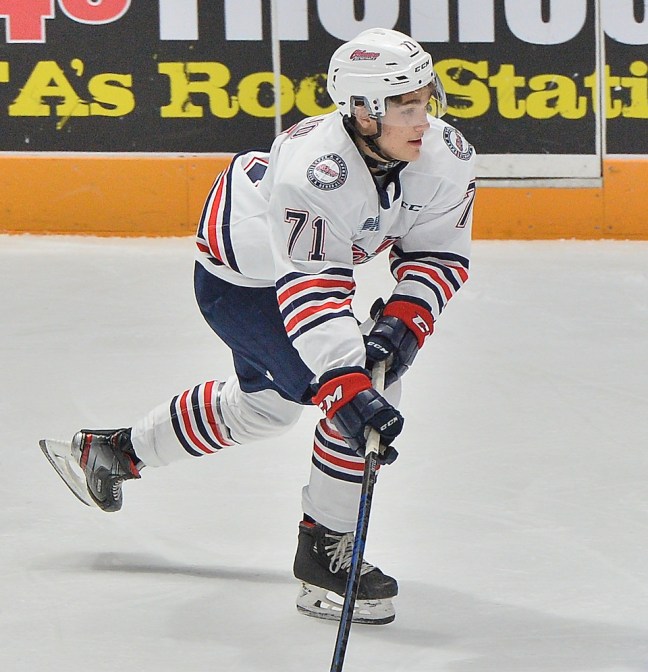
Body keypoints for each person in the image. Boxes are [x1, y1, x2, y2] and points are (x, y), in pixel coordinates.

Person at [40, 28, 476, 626]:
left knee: (265, 410)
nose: (424, 120)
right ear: (362, 114)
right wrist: (347, 385)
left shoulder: (443, 154)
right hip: (241, 282)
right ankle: (323, 557)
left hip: (293, 277)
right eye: (406, 107)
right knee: (360, 392)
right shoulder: (314, 174)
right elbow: (312, 291)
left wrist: (405, 323)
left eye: (427, 100)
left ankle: (113, 452)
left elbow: (438, 255)